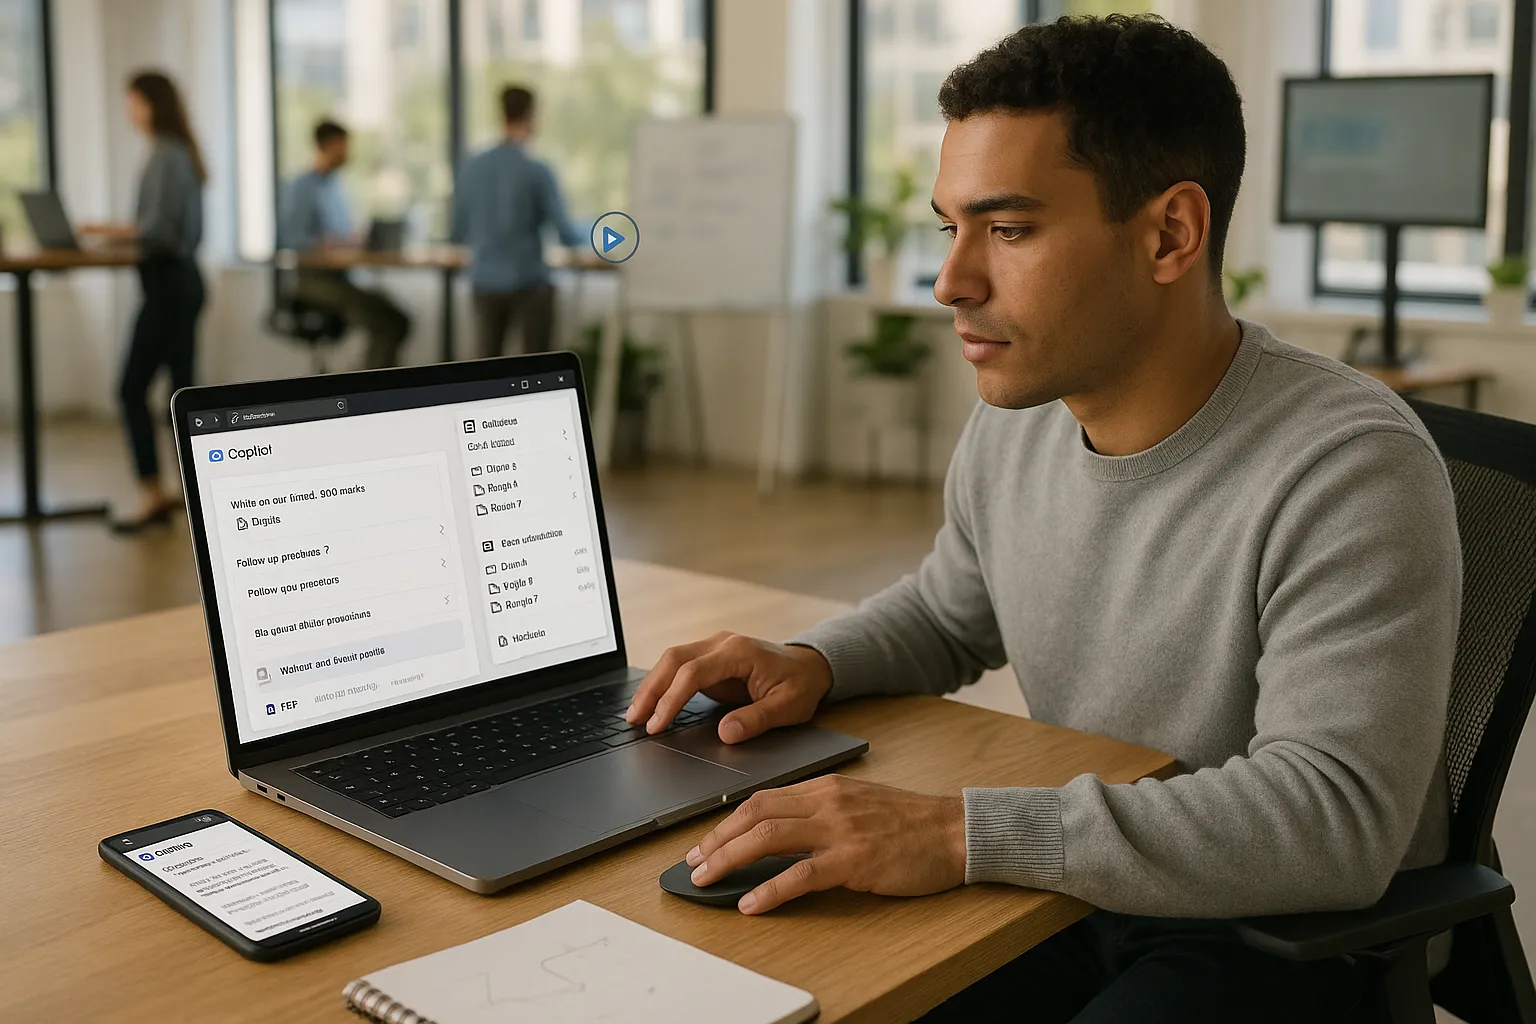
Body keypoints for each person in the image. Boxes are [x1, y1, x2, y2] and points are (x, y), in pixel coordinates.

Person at [624, 15, 1461, 1023]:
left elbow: (1334, 821)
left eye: (1008, 230)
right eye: (951, 226)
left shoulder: (1347, 465)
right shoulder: (1025, 419)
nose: (951, 281)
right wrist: (815, 660)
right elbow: (949, 611)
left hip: (1285, 939)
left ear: (1169, 234)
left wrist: (956, 834)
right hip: (1078, 890)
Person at [85, 71, 207, 533]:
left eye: (132, 101)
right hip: (179, 284)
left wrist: (104, 231)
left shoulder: (167, 157)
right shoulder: (176, 153)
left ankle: (153, 493)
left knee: (132, 389)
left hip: (169, 286)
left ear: (151, 104)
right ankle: (193, 493)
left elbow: (157, 230)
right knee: (180, 394)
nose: (129, 111)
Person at [452, 85, 583, 358]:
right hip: (529, 282)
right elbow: (566, 234)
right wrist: (600, 234)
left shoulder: (472, 167)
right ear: (532, 115)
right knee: (537, 372)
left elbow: (457, 231)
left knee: (487, 371)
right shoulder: (537, 170)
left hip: (485, 280)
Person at [278, 120, 411, 369]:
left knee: (398, 319)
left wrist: (355, 240)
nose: (348, 153)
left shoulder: (337, 187)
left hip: (343, 277)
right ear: (326, 145)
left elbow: (343, 235)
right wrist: (323, 244)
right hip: (314, 283)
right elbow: (291, 239)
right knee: (387, 321)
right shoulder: (302, 187)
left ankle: (377, 383)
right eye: (343, 146)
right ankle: (370, 390)